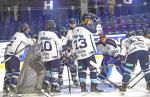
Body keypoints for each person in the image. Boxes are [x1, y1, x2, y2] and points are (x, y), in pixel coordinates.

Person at [72, 13, 103, 93]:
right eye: (90, 20)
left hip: (79, 54)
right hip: (89, 54)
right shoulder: (86, 27)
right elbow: (98, 32)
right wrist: (98, 24)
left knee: (82, 71)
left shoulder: (75, 29)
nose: (91, 22)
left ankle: (83, 88)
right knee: (93, 70)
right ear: (86, 20)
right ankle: (93, 87)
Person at [3, 23, 34, 94]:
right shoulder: (23, 35)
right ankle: (13, 87)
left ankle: (5, 87)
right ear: (25, 29)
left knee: (8, 72)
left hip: (7, 55)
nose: (28, 30)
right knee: (16, 72)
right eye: (27, 29)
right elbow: (31, 43)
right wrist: (34, 39)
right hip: (13, 56)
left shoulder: (16, 34)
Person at [37, 20, 62, 94]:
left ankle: (45, 87)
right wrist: (64, 38)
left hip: (44, 57)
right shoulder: (53, 34)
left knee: (47, 73)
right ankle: (54, 88)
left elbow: (38, 44)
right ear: (53, 26)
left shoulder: (40, 33)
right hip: (53, 56)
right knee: (54, 73)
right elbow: (60, 43)